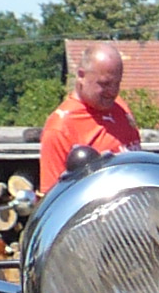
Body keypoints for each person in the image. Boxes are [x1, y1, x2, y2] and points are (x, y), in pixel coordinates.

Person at [39, 45, 143, 189]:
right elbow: (53, 196)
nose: (112, 92)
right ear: (81, 75)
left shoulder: (119, 107)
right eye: (105, 84)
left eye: (117, 83)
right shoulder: (60, 129)